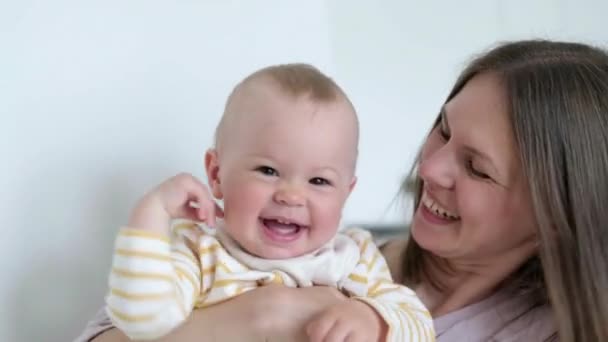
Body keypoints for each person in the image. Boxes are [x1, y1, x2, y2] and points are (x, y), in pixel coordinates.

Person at [77, 39, 608, 342]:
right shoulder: (345, 254)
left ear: (554, 215)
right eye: (443, 130)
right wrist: (255, 319)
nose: (432, 167)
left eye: (477, 168)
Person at [95, 63, 433, 341]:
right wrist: (151, 213)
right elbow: (143, 321)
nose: (291, 195)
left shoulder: (351, 257)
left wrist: (373, 318)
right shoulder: (200, 253)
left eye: (319, 181)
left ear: (347, 192)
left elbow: (418, 323)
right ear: (216, 175)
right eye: (268, 170)